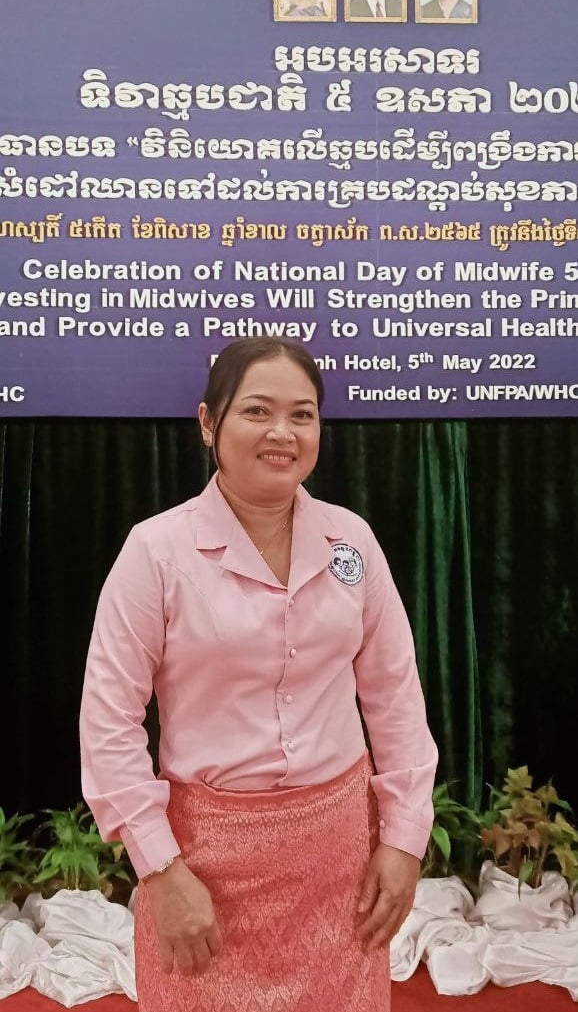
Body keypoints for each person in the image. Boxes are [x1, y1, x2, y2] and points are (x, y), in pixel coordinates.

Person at [79, 338, 438, 1012]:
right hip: (203, 867)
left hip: (340, 866)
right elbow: (109, 721)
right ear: (208, 422)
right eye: (257, 411)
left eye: (302, 415)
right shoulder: (156, 552)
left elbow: (395, 696)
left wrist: (403, 838)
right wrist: (160, 870)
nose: (282, 432)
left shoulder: (351, 541)